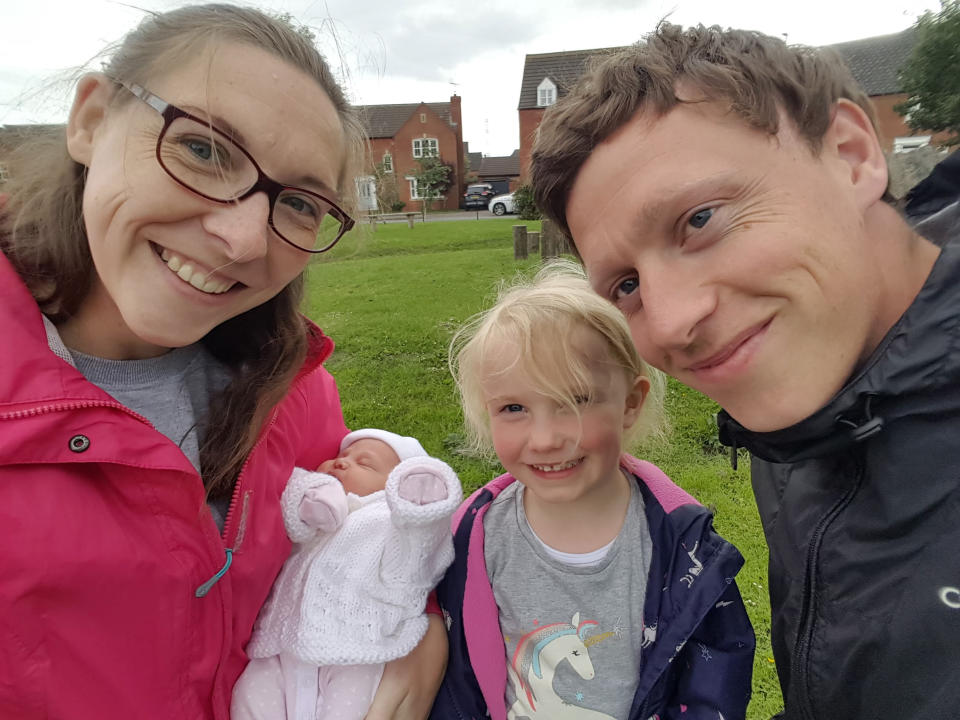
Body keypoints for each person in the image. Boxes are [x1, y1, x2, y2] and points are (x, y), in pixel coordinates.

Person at [0, 5, 446, 719]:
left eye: (299, 203)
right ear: (91, 120)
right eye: (205, 150)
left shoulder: (298, 397)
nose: (242, 240)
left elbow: (354, 550)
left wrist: (423, 629)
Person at [529, 22, 960, 720]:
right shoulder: (804, 406)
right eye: (627, 286)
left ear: (851, 155)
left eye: (699, 219)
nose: (669, 326)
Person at [430, 263, 754, 720]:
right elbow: (453, 674)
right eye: (514, 407)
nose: (544, 439)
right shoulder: (475, 537)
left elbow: (713, 681)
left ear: (630, 403)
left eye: (574, 401)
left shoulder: (685, 548)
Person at [233, 429, 462, 720]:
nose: (341, 463)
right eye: (340, 457)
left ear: (396, 485)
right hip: (280, 647)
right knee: (249, 694)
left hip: (357, 650)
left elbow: (420, 553)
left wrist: (419, 508)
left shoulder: (390, 522)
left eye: (364, 463)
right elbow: (289, 505)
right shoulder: (324, 513)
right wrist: (309, 497)